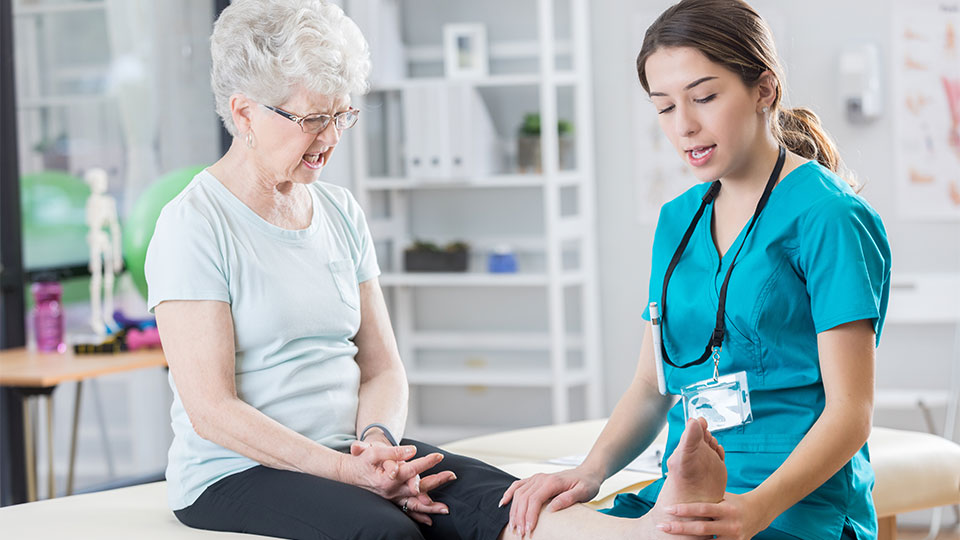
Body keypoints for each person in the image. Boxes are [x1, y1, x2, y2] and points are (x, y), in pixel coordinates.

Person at [145, 1, 732, 538]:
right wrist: (349, 474)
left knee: (521, 506)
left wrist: (377, 444)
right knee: (391, 531)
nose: (329, 138)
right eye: (311, 119)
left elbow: (382, 368)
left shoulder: (339, 210)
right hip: (237, 473)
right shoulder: (193, 224)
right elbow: (211, 409)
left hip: (353, 455)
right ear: (244, 112)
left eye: (341, 115)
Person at [500, 1, 891, 539]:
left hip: (792, 505)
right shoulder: (678, 219)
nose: (684, 125)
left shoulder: (830, 216)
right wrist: (587, 474)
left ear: (764, 90)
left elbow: (851, 412)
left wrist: (755, 510)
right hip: (681, 491)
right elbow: (650, 385)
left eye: (704, 97)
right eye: (664, 107)